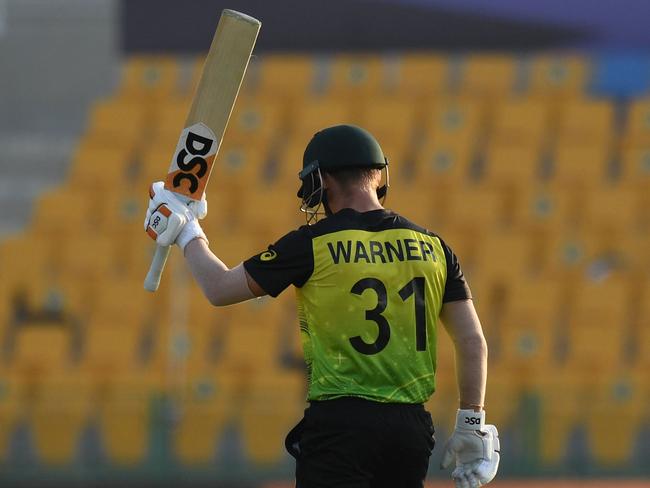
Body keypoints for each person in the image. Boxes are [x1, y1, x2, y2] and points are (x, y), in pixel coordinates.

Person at [144, 125, 500, 488]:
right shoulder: (435, 247)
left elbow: (219, 288)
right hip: (409, 432)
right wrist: (471, 422)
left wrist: (187, 232)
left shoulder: (312, 243)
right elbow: (472, 341)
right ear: (378, 175)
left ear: (323, 179)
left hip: (340, 426)